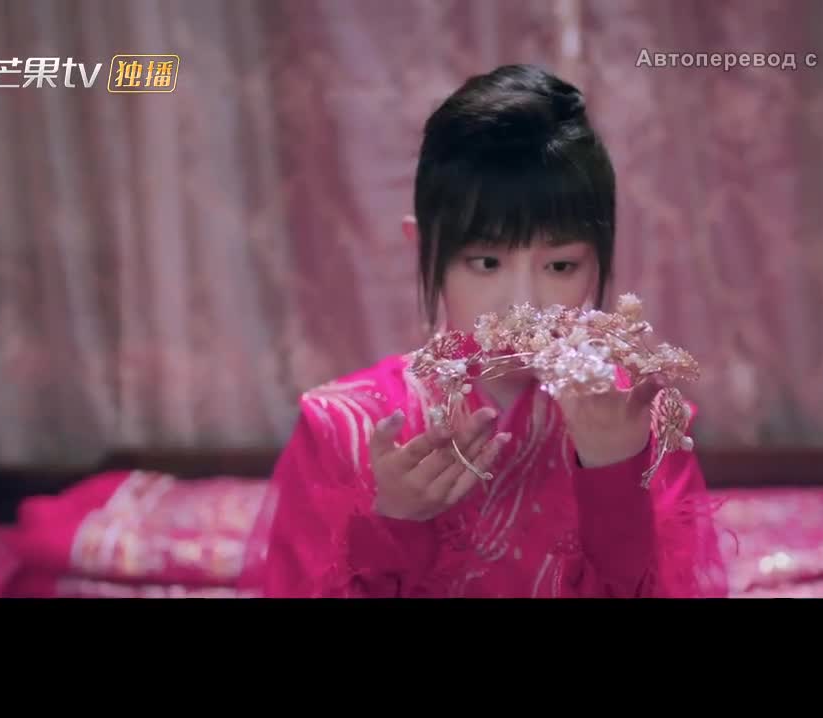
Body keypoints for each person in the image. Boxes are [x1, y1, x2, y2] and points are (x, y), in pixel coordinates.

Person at [262, 64, 726, 598]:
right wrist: (392, 525)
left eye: (560, 266)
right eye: (486, 263)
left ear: (599, 260)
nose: (523, 302)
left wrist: (614, 473)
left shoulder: (640, 418)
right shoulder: (343, 427)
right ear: (425, 250)